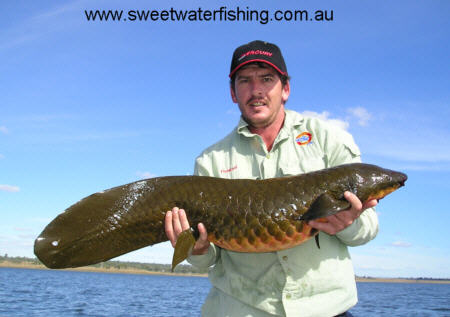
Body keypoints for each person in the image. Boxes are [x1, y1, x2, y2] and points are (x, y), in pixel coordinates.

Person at [165, 40, 378, 317]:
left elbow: (368, 229)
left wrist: (348, 223)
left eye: (267, 79)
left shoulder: (329, 139)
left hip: (326, 310)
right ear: (233, 93)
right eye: (245, 81)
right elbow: (209, 259)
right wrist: (197, 248)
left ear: (285, 88)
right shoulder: (210, 161)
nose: (256, 91)